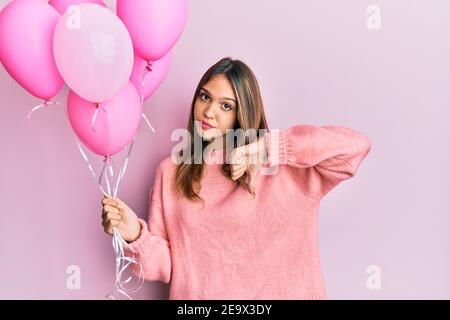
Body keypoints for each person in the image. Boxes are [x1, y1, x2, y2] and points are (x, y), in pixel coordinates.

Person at [101, 57, 372, 299]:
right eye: (205, 97)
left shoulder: (287, 168)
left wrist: (271, 149)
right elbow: (167, 266)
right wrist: (134, 234)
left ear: (243, 113)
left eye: (226, 106)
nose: (208, 112)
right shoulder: (171, 172)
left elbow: (355, 147)